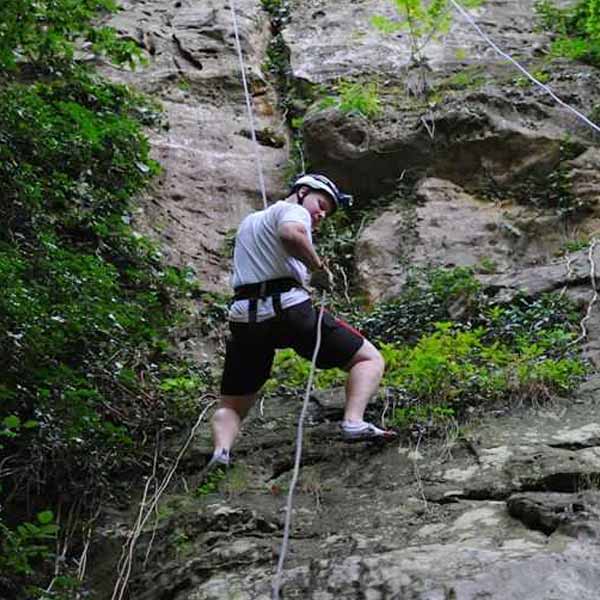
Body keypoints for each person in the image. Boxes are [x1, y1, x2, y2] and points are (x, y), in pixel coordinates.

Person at [208, 174, 396, 469]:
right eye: (321, 204)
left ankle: (221, 452)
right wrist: (317, 268)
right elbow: (292, 234)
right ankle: (353, 422)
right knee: (369, 359)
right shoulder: (293, 210)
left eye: (326, 213)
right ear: (302, 192)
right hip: (288, 309)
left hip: (245, 317)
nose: (321, 214)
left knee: (232, 403)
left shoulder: (248, 223)